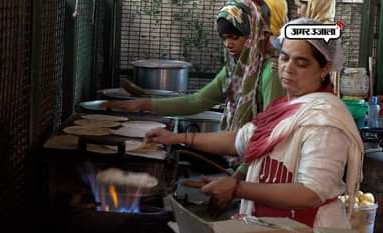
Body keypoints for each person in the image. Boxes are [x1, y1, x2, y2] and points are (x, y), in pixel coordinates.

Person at [145, 18, 363, 228]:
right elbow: (240, 140)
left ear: (325, 68)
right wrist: (176, 138)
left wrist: (237, 188)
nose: (288, 68)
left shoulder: (324, 122)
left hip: (309, 226)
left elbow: (310, 194)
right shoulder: (286, 107)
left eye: (302, 62)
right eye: (284, 58)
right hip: (271, 223)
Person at [105, 0, 284, 131]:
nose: (228, 44)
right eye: (224, 38)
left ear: (255, 34)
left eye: (234, 37)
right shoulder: (235, 70)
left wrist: (239, 176)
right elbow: (197, 101)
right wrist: (145, 104)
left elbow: (271, 132)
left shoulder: (270, 72)